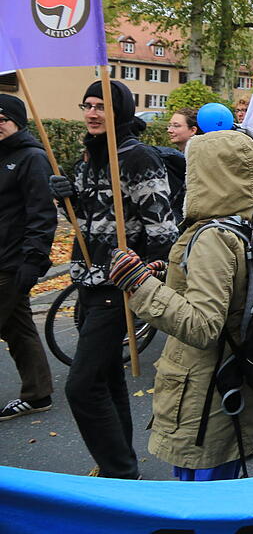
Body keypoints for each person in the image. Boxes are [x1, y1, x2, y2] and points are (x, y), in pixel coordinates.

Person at [109, 130, 253, 480]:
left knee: (201, 504)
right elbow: (232, 292)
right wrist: (172, 274)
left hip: (206, 396)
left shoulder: (212, 236)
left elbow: (203, 324)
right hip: (229, 386)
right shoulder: (248, 221)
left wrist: (141, 286)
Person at [48, 80, 178, 479]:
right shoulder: (88, 157)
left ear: (118, 111)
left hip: (118, 287)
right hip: (87, 280)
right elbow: (87, 227)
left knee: (81, 386)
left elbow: (163, 231)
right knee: (105, 378)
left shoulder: (138, 157)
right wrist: (67, 201)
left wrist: (146, 276)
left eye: (100, 105)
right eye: (87, 105)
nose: (91, 113)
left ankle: (117, 470)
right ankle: (123, 467)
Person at [0, 95, 57, 421]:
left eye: (2, 120)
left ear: (17, 121)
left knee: (15, 326)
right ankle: (37, 394)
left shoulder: (31, 158)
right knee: (18, 328)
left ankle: (37, 394)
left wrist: (33, 261)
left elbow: (41, 214)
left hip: (11, 262)